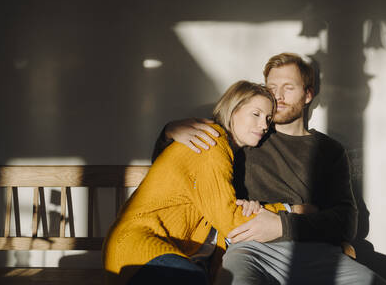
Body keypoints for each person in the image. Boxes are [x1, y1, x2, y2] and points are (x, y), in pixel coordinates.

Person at [154, 53, 386, 285]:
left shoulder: (329, 150)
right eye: (272, 87)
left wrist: (281, 225)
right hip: (250, 249)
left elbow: (346, 221)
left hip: (315, 253)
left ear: (308, 95)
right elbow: (180, 167)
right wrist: (168, 133)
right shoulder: (248, 133)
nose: (278, 95)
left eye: (288, 87)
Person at [103, 81, 293, 285]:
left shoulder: (230, 155)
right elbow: (229, 221)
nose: (264, 125)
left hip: (166, 255)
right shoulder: (213, 141)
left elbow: (219, 209)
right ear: (232, 110)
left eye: (268, 119)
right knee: (192, 278)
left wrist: (249, 208)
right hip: (139, 248)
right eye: (255, 114)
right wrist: (290, 210)